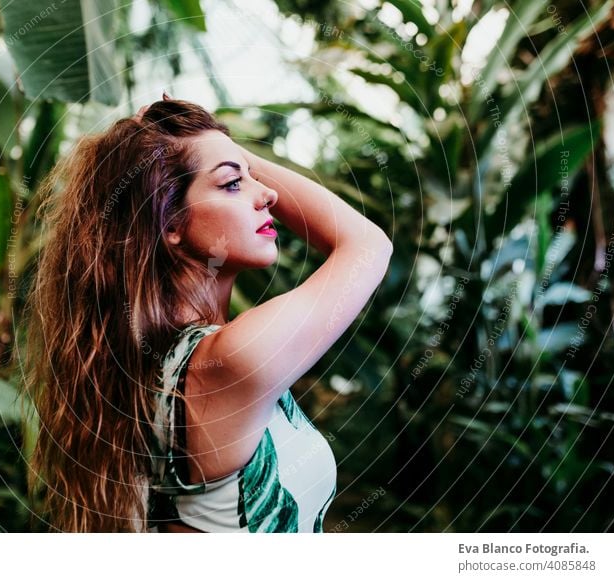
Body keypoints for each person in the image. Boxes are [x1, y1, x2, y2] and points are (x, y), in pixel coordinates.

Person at [21, 93, 393, 533]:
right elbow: (368, 245)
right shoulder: (226, 361)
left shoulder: (155, 359)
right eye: (233, 184)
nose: (268, 193)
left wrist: (221, 153)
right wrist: (229, 150)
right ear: (170, 223)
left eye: (251, 178)